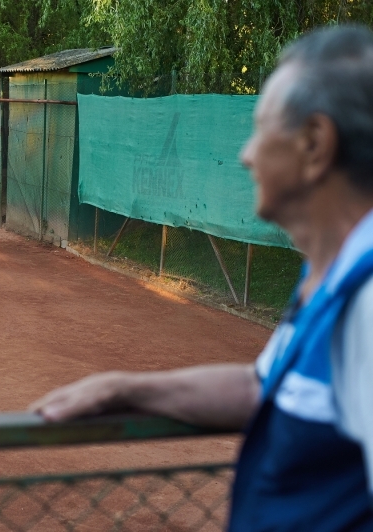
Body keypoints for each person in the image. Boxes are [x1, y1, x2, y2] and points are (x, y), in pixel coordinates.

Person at [30, 25, 373, 531]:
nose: (245, 154)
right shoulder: (332, 275)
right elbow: (263, 390)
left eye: (260, 129)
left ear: (315, 144)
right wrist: (129, 390)